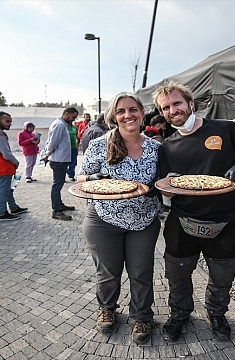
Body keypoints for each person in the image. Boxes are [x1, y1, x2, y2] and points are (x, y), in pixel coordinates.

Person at [153, 82, 235, 342]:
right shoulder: (167, 146)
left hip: (226, 220)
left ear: (191, 103)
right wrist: (170, 184)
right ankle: (180, 313)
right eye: (166, 107)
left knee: (222, 275)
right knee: (177, 274)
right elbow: (167, 192)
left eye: (177, 103)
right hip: (182, 221)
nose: (173, 110)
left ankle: (217, 314)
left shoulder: (226, 129)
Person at [78, 92, 161, 345]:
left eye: (133, 109)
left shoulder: (156, 147)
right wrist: (95, 180)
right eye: (122, 111)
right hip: (104, 218)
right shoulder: (100, 144)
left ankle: (142, 316)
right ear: (114, 115)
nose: (128, 115)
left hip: (143, 219)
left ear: (142, 113)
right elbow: (81, 178)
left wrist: (159, 188)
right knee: (108, 271)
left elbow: (165, 180)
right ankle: (107, 308)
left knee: (141, 271)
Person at [0, 111, 28, 221]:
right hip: (3, 166)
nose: (9, 124)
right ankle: (2, 213)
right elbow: (6, 154)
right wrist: (16, 162)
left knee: (7, 189)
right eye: (7, 121)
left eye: (10, 122)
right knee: (4, 191)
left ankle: (13, 208)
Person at [43, 108, 78, 221]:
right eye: (72, 117)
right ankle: (56, 210)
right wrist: (47, 155)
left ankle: (59, 204)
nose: (73, 120)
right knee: (57, 185)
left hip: (61, 159)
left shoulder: (61, 125)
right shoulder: (59, 125)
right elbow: (53, 142)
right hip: (58, 160)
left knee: (59, 183)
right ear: (66, 114)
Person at [66, 112, 79, 182]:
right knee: (64, 163)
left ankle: (71, 175)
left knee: (73, 163)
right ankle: (64, 174)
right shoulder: (64, 127)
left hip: (73, 148)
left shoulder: (74, 128)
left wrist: (77, 144)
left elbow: (77, 137)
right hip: (65, 149)